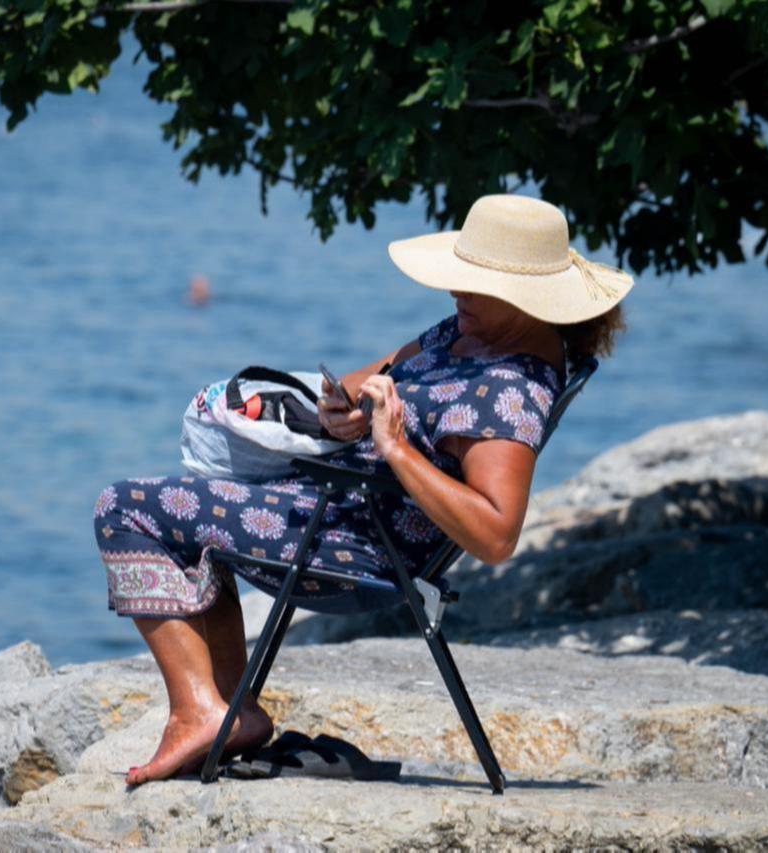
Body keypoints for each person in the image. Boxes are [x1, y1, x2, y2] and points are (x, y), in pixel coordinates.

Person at [92, 194, 634, 785]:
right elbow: (363, 384)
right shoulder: (470, 330)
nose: (457, 293)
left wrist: (397, 450)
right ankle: (233, 710)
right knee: (185, 495)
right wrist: (343, 413)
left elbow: (497, 534)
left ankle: (200, 711)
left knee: (126, 509)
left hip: (359, 550)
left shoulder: (510, 391)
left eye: (474, 284)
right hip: (337, 507)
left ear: (526, 298)